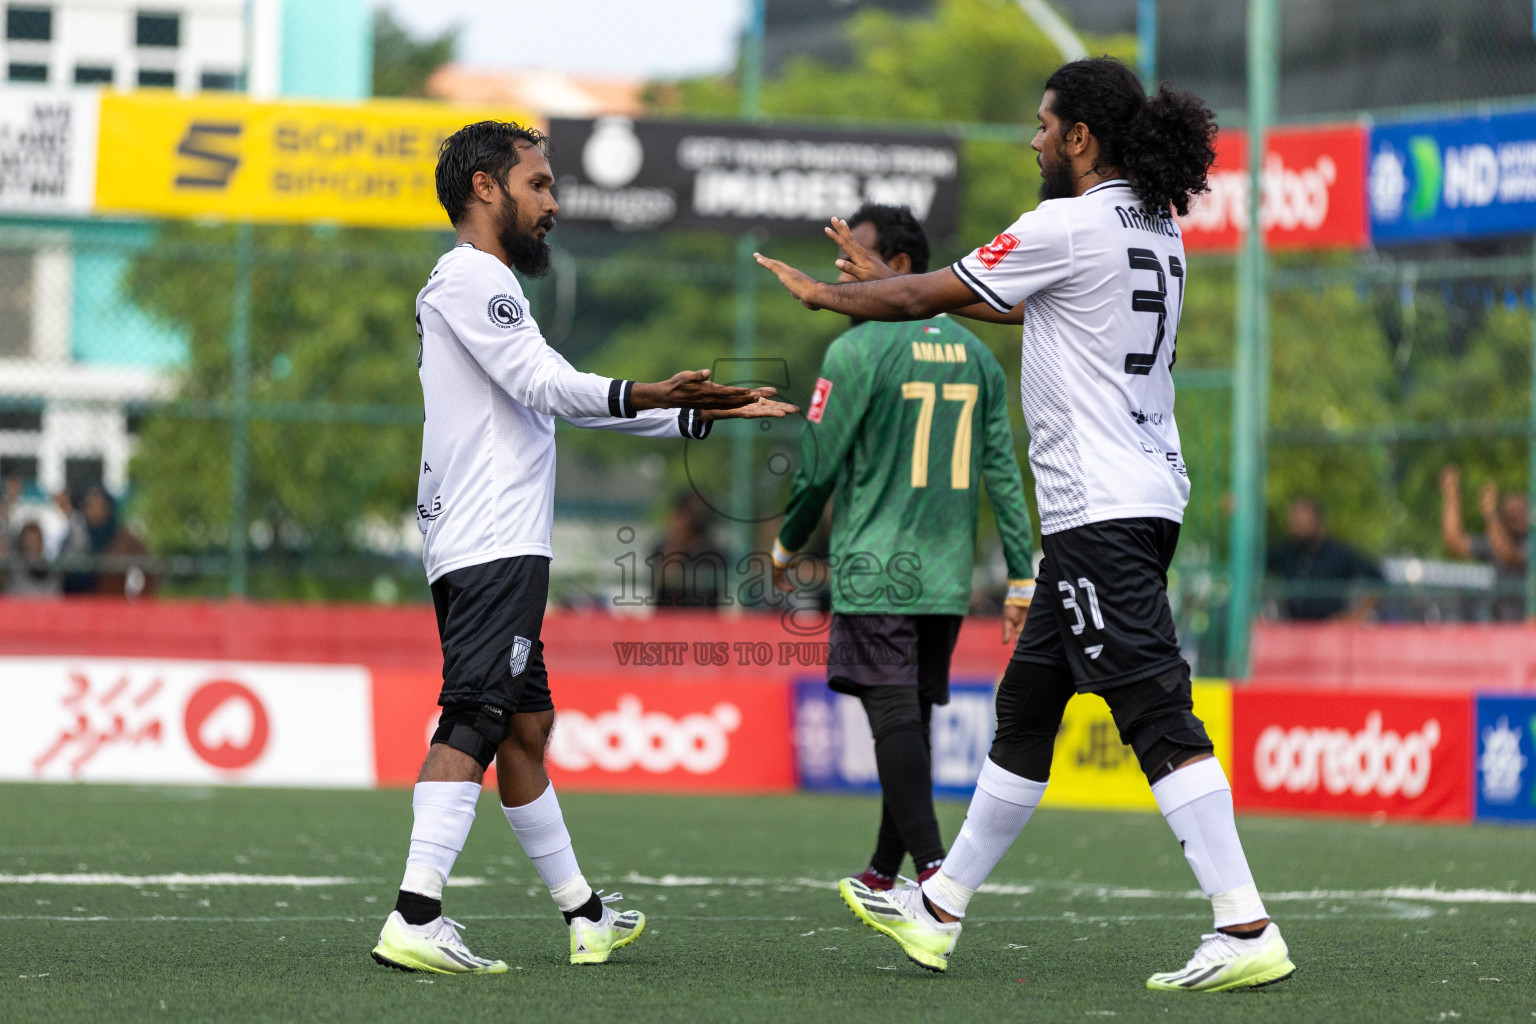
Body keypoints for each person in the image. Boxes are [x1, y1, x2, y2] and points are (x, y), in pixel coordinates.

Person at [755, 57, 1294, 992]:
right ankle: (940, 903)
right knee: (1024, 709)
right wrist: (892, 279)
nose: (1034, 139)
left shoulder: (1067, 221)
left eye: (1045, 124)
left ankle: (1243, 923)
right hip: (1142, 495)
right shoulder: (1155, 223)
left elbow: (932, 296)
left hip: (1099, 512)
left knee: (1158, 714)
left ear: (1081, 137)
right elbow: (996, 302)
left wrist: (832, 294)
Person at [371, 120, 795, 977]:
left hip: (488, 540)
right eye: (538, 185)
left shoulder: (485, 288)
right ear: (485, 188)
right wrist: (646, 388)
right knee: (478, 715)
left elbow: (560, 398)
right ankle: (416, 914)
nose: (553, 202)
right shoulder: (471, 277)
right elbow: (548, 384)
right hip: (492, 542)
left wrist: (689, 412)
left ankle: (587, 916)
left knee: (525, 727)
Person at [769, 202, 1035, 893]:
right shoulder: (978, 356)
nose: (842, 273)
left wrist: (787, 543)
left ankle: (936, 875)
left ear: (903, 269)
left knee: (893, 718)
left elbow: (819, 466)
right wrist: (1020, 576)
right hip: (944, 578)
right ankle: (886, 872)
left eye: (856, 258)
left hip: (877, 567)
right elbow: (1003, 470)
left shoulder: (857, 350)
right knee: (908, 718)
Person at [1266, 496, 1381, 620]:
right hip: (1293, 630)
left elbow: (1380, 582)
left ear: (1317, 521)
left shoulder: (1339, 554)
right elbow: (1253, 567)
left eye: (1301, 521)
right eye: (1293, 521)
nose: (1295, 526)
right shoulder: (1285, 553)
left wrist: (1353, 617)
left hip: (1328, 632)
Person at [1440, 464, 1527, 621]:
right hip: (1500, 627)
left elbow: (1509, 554)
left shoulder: (1529, 540)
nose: (1516, 509)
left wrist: (1490, 514)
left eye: (1522, 506)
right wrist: (1451, 494)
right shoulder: (1497, 538)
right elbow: (1455, 541)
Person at [3, 521, 60, 597]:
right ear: (22, 542)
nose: (33, 544)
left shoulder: (52, 570)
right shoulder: (13, 570)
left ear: (41, 542)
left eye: (36, 540)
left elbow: (55, 595)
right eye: (29, 540)